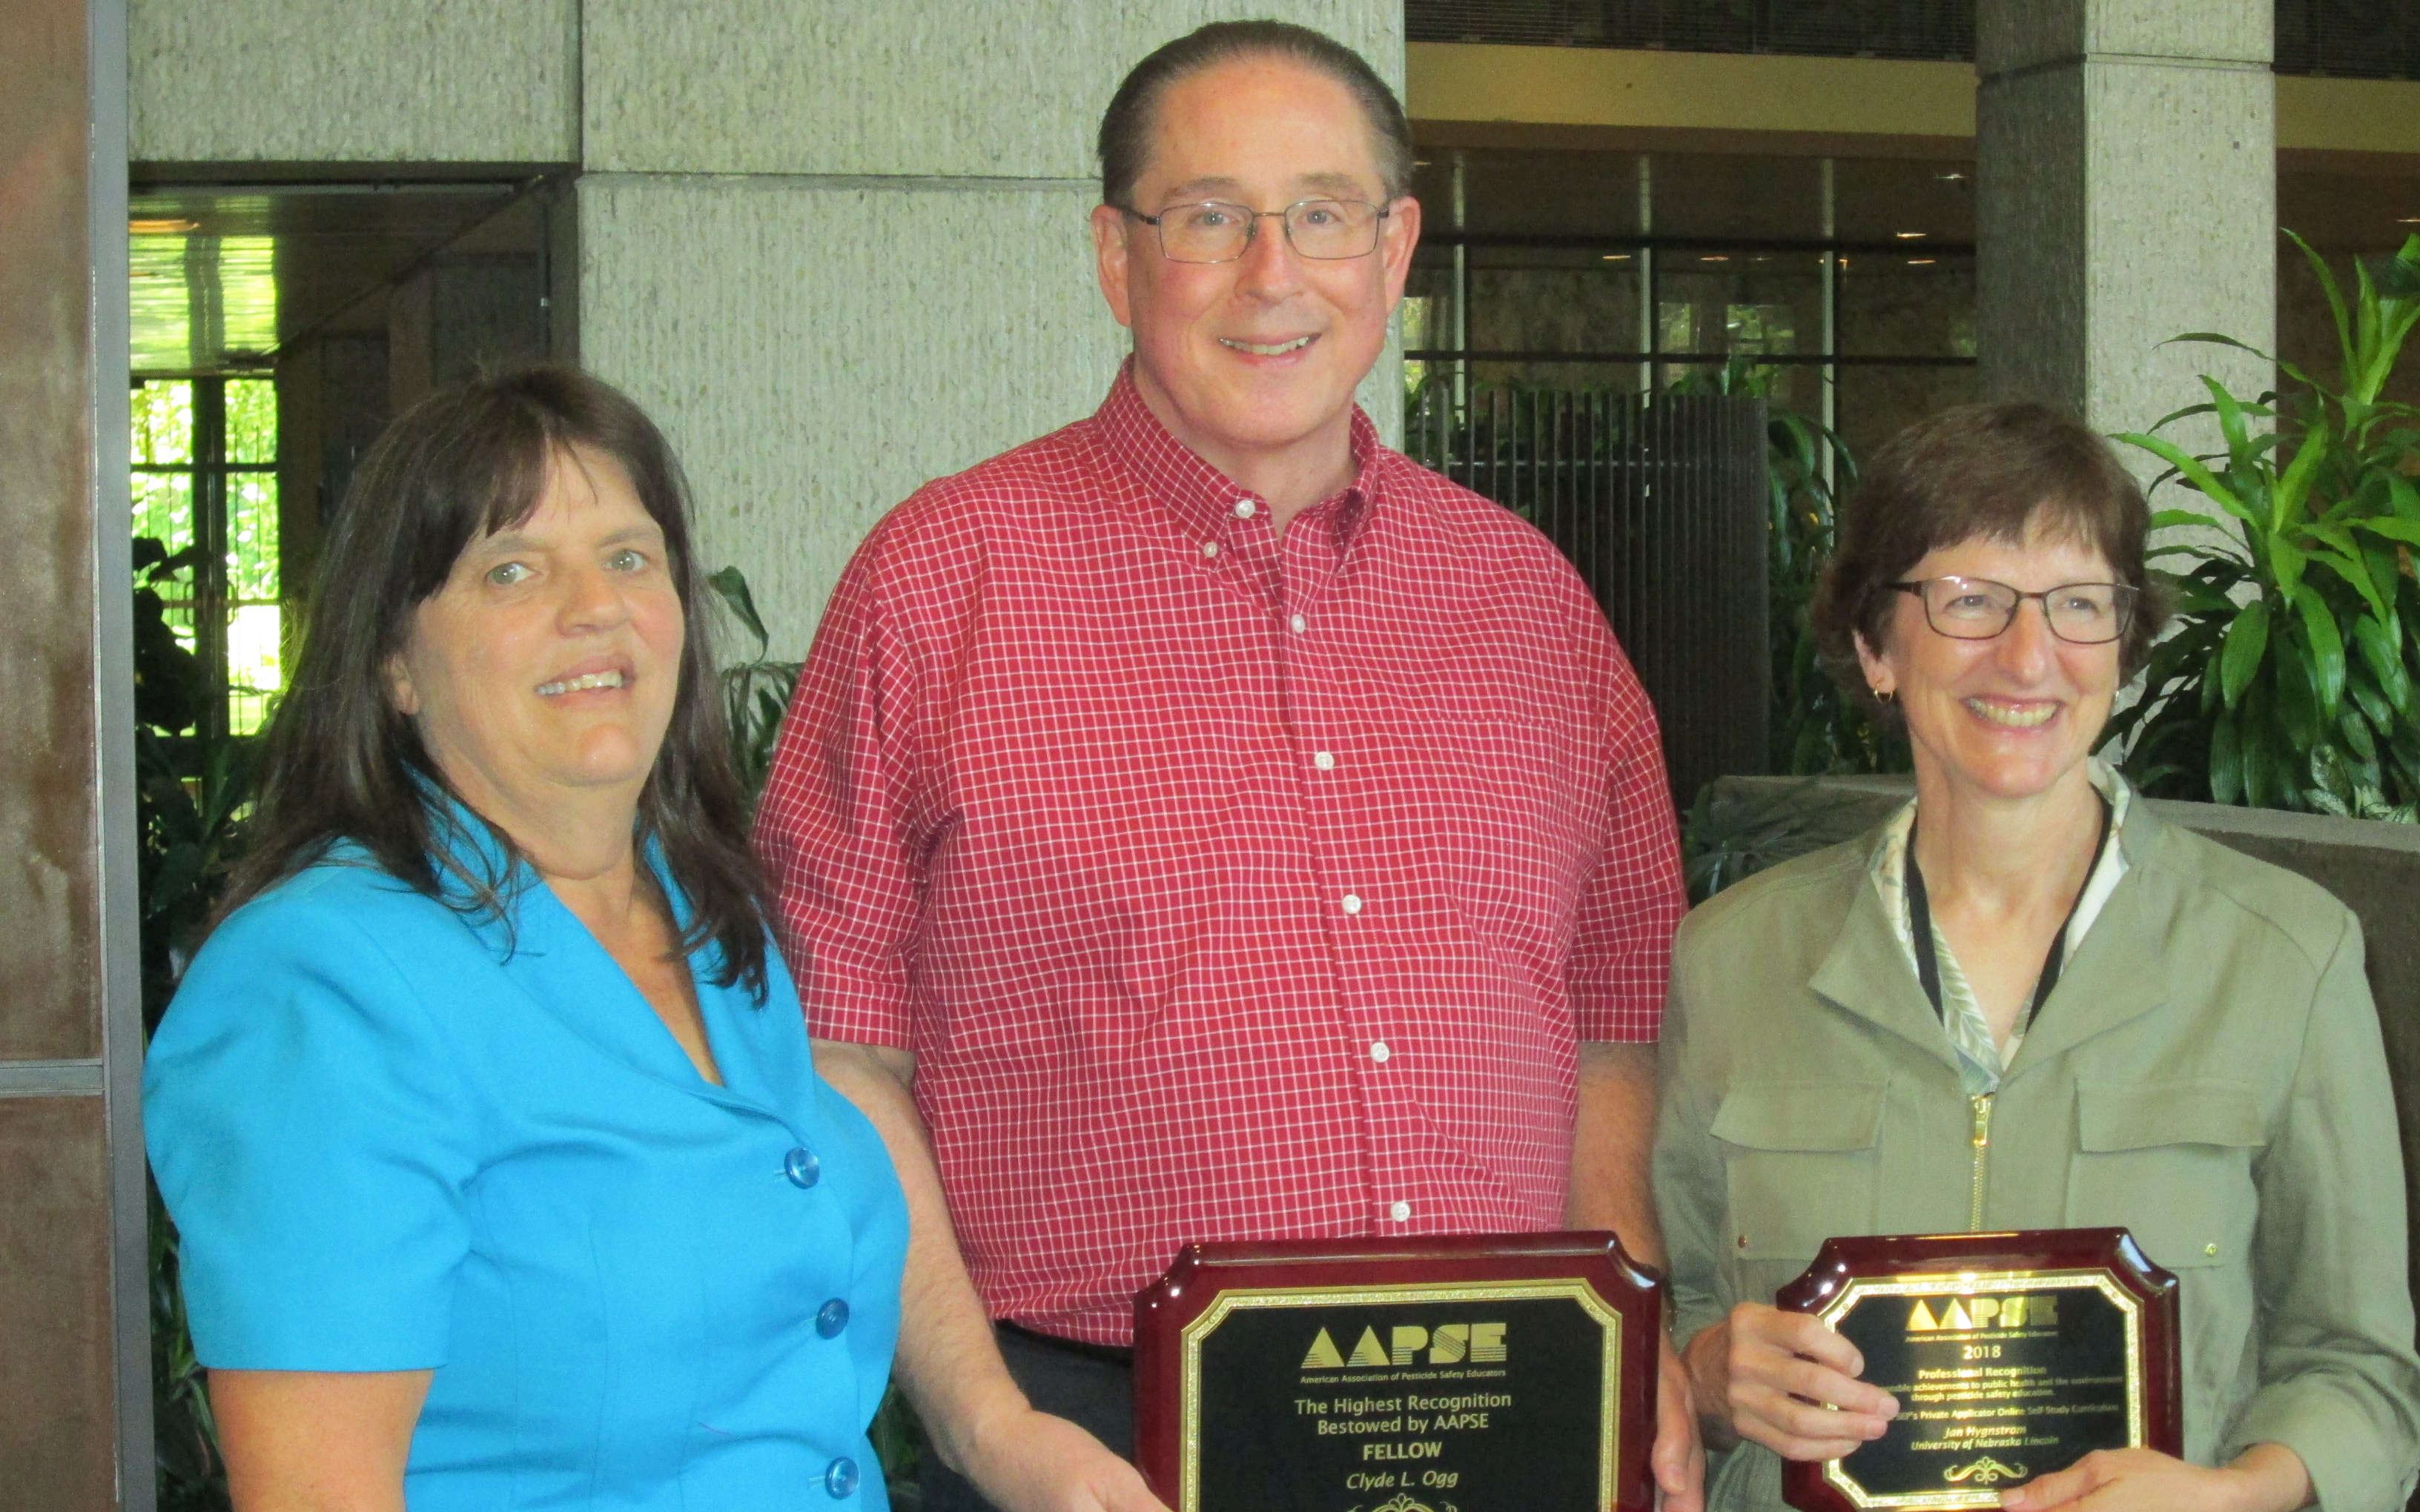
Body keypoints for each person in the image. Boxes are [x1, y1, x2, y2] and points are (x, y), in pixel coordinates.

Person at [753, 19, 1699, 1512]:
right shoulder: (945, 579)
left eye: (1322, 213)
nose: (1275, 273)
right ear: (1116, 257)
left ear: (1395, 250)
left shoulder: (1532, 607)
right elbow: (831, 1048)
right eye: (1209, 217)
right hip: (1091, 1444)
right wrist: (991, 1431)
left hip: (1513, 1422)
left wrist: (1634, 1335)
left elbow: (1611, 1031)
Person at [144, 367, 910, 1510]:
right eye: (511, 571)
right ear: (394, 662)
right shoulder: (320, 987)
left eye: (628, 557)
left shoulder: (713, 922)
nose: (592, 606)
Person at [1653, 402, 2420, 1511]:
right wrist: (1710, 1377)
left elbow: (2359, 1373)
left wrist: (2242, 1492)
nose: (2030, 657)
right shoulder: (1733, 962)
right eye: (1970, 601)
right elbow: (1679, 1326)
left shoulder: (2285, 957)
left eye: (2077, 605)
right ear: (1875, 644)